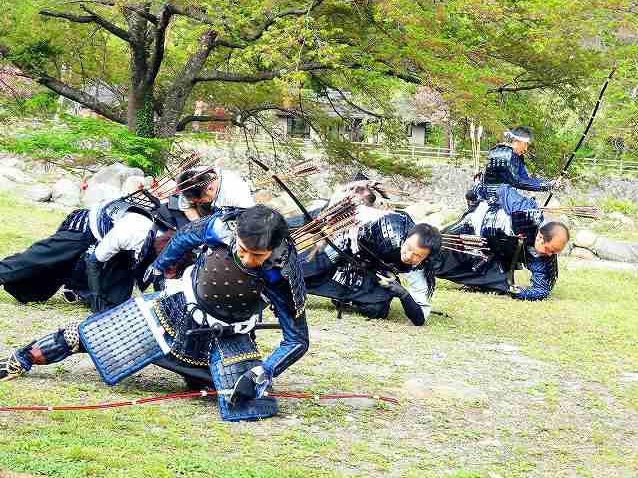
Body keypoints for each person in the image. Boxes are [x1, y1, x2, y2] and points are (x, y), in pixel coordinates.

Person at [0, 205, 308, 422]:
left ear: (274, 249)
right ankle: (20, 360)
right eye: (242, 249)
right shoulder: (220, 227)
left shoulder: (280, 273)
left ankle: (199, 377)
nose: (246, 258)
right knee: (86, 334)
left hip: (226, 342)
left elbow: (296, 340)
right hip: (173, 311)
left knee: (241, 402)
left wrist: (263, 372)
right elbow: (186, 236)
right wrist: (160, 266)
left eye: (257, 255)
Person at [0, 195, 159, 312]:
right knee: (41, 259)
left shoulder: (165, 249)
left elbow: (142, 280)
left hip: (119, 246)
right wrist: (96, 298)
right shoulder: (130, 232)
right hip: (87, 227)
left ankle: (80, 290)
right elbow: (93, 262)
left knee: (114, 304)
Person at [302, 212, 441, 325]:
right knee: (303, 273)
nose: (409, 256)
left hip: (372, 271)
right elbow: (352, 228)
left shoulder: (422, 267)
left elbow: (419, 318)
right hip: (344, 251)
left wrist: (402, 293)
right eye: (409, 248)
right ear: (407, 237)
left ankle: (346, 300)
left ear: (426, 257)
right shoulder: (387, 227)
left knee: (378, 310)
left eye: (417, 255)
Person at [436, 184, 569, 300]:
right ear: (540, 237)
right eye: (549, 249)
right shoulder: (524, 211)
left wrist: (518, 292)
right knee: (438, 247)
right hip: (474, 224)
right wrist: (479, 193)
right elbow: (503, 189)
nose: (551, 255)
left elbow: (541, 290)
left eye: (555, 252)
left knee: (499, 285)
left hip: (494, 254)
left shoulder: (546, 255)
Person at [481, 126, 561, 195]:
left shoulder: (518, 157)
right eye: (525, 144)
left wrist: (549, 182)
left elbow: (525, 179)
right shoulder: (502, 153)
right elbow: (516, 181)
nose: (526, 149)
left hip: (504, 196)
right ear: (516, 141)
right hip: (491, 198)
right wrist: (546, 186)